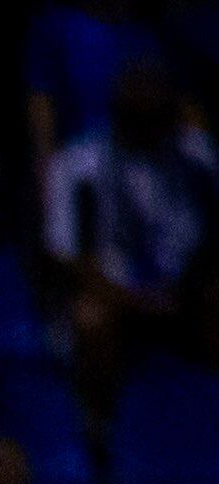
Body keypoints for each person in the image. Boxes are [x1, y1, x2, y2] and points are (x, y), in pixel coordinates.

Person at [42, 54, 219, 404]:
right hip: (115, 291)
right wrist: (133, 299)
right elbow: (69, 257)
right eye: (140, 118)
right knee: (90, 318)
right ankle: (99, 433)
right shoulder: (80, 165)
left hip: (188, 288)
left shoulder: (196, 153)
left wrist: (189, 287)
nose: (153, 129)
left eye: (160, 117)